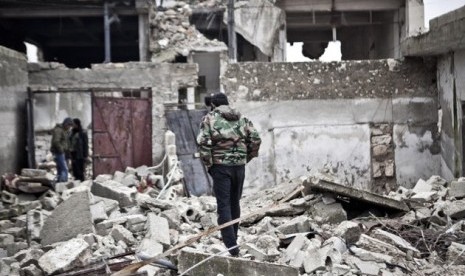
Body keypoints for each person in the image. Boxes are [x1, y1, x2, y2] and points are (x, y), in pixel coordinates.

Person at [196, 92, 261, 256]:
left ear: (213, 105)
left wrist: (209, 165)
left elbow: (203, 142)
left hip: (220, 167)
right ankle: (234, 240)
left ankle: (231, 247)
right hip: (239, 167)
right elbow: (255, 139)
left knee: (224, 205)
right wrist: (245, 158)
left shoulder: (210, 118)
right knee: (235, 203)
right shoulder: (242, 118)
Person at [50, 117, 73, 182]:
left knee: (60, 168)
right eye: (69, 125)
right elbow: (56, 141)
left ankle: (59, 183)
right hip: (59, 152)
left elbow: (65, 142)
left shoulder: (64, 130)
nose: (69, 127)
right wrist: (61, 150)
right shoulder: (58, 130)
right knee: (64, 168)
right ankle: (63, 183)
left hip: (62, 152)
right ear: (65, 124)